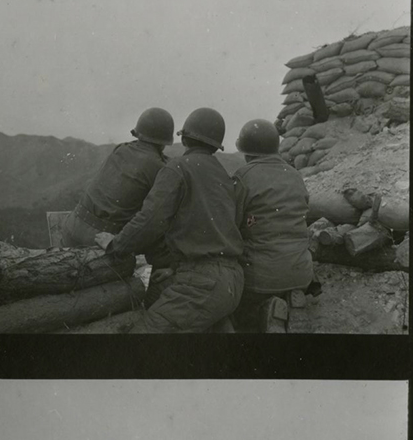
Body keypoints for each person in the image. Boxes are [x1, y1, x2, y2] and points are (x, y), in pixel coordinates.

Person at [98, 108, 245, 333]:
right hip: (232, 280)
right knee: (157, 297)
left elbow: (150, 220)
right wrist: (175, 270)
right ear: (216, 146)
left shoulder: (178, 168)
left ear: (184, 138)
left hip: (202, 284)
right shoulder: (224, 175)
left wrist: (115, 244)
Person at [58, 108, 176, 304]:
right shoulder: (159, 168)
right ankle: (154, 301)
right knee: (161, 232)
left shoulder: (120, 149)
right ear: (164, 142)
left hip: (72, 229)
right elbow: (154, 220)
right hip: (99, 239)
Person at [230, 119, 315, 333]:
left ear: (246, 151)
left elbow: (231, 226)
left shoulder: (242, 176)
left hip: (260, 280)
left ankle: (266, 310)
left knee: (236, 310)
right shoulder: (295, 175)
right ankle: (291, 300)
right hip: (302, 273)